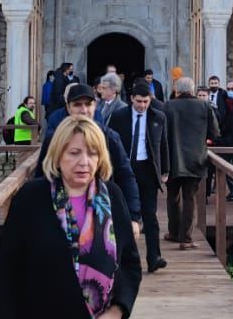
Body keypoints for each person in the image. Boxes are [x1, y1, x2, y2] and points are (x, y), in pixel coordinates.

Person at [0, 115, 141, 319]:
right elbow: (7, 270)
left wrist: (117, 310)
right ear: (58, 155)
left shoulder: (113, 196)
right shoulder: (31, 197)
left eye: (92, 153)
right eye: (74, 153)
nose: (84, 162)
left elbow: (130, 263)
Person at [39, 83, 143, 228]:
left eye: (88, 104)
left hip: (104, 213)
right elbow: (42, 174)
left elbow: (125, 175)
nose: (84, 110)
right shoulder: (55, 138)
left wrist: (133, 217)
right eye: (77, 105)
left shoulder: (109, 137)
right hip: (58, 212)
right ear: (68, 107)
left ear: (95, 106)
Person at [107, 79, 169, 272]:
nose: (142, 105)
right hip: (125, 168)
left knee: (150, 215)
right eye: (139, 101)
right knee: (122, 213)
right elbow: (109, 143)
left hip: (147, 169)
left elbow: (163, 144)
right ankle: (121, 258)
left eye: (146, 102)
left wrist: (165, 170)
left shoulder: (158, 117)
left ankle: (154, 257)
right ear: (132, 99)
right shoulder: (119, 116)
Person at [163, 77, 219, 250]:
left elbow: (162, 132)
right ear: (193, 90)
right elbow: (215, 133)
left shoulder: (168, 106)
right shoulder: (204, 106)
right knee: (189, 198)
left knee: (172, 197)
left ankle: (173, 232)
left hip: (173, 159)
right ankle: (186, 238)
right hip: (196, 159)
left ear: (177, 90)